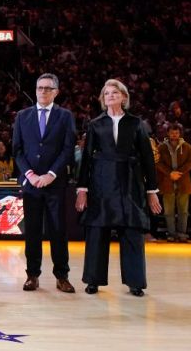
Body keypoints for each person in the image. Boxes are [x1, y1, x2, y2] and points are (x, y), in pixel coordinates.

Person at [75, 79, 162, 297]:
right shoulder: (95, 124)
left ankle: (135, 282)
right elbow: (86, 158)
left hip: (130, 183)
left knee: (132, 231)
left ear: (124, 97)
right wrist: (82, 189)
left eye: (114, 92)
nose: (110, 96)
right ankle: (93, 280)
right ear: (103, 99)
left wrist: (152, 192)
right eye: (106, 93)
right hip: (101, 183)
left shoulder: (136, 123)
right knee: (97, 231)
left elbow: (147, 159)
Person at [12, 73, 77, 293]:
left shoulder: (65, 116)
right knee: (32, 231)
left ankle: (62, 276)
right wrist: (29, 174)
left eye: (48, 88)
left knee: (58, 231)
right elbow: (18, 150)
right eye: (40, 88)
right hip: (31, 184)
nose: (43, 91)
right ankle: (32, 275)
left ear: (56, 92)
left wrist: (51, 174)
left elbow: (68, 149)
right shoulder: (22, 116)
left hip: (55, 183)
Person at [156, 123, 191, 242]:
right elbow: (158, 162)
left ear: (180, 133)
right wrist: (170, 173)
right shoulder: (162, 147)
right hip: (167, 181)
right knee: (168, 211)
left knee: (183, 210)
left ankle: (182, 233)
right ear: (168, 133)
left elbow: (190, 162)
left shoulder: (187, 146)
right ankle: (171, 234)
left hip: (183, 181)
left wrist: (178, 173)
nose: (174, 135)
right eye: (172, 132)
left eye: (176, 133)